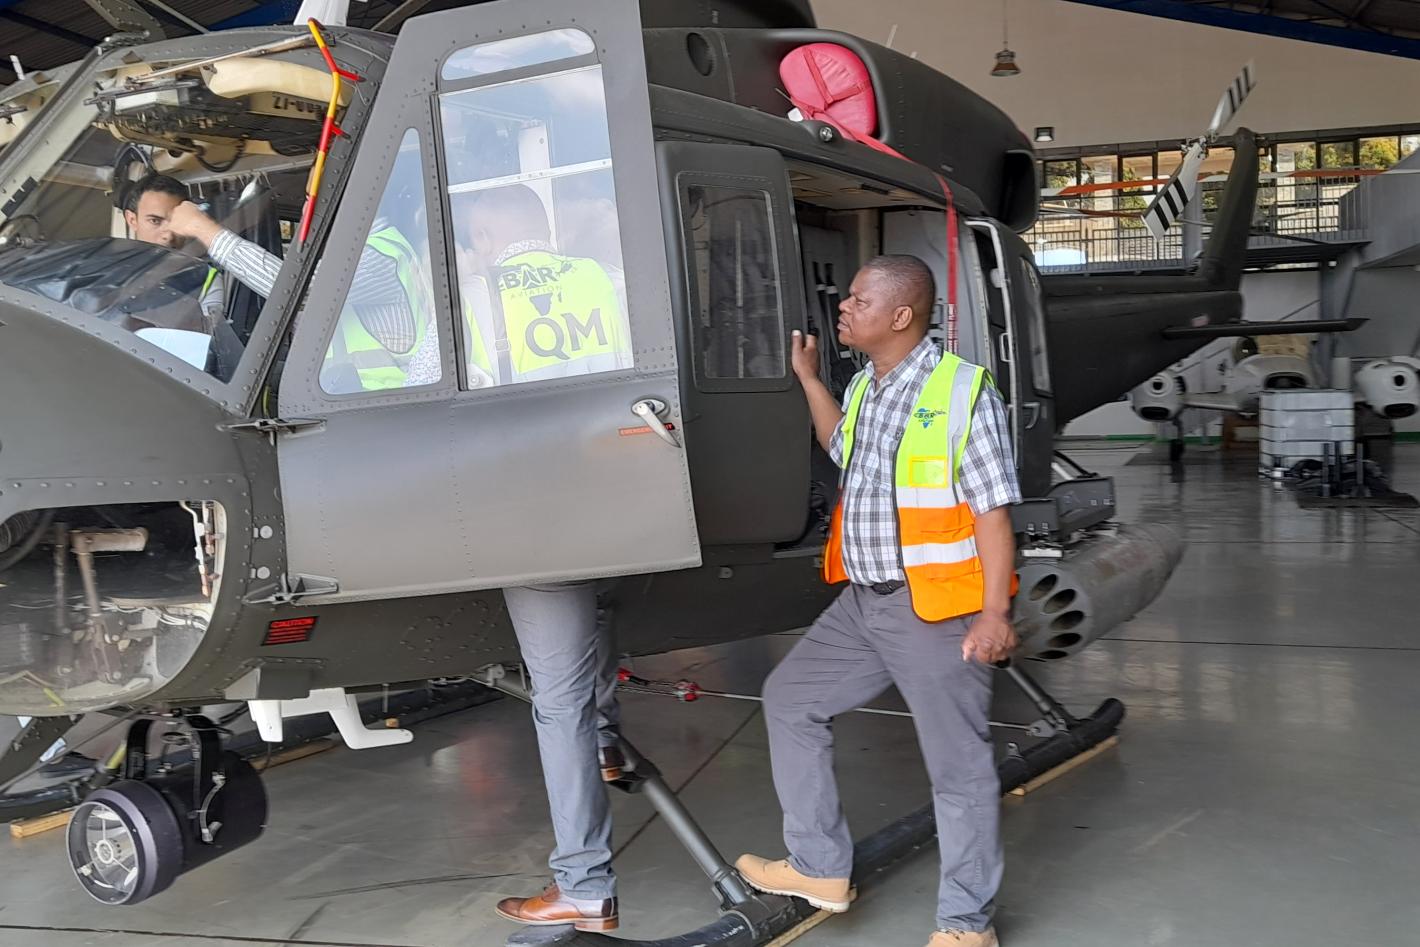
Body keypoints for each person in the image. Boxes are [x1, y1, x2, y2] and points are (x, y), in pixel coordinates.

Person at [735, 255, 1021, 947]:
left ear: (900, 315)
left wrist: (993, 613)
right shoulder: (867, 383)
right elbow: (842, 446)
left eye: (859, 299)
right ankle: (820, 868)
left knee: (958, 769)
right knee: (790, 698)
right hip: (864, 604)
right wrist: (810, 380)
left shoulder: (962, 391)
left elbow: (992, 510)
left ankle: (966, 925)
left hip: (934, 609)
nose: (844, 305)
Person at [468, 187, 632, 934]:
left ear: (489, 234)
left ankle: (584, 884)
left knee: (556, 699)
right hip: (617, 501)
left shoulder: (477, 300)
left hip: (535, 512)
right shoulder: (605, 281)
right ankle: (607, 743)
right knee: (601, 613)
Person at [407, 183, 630, 388]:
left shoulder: (467, 300)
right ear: (547, 231)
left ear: (483, 238)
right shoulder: (606, 276)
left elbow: (420, 385)